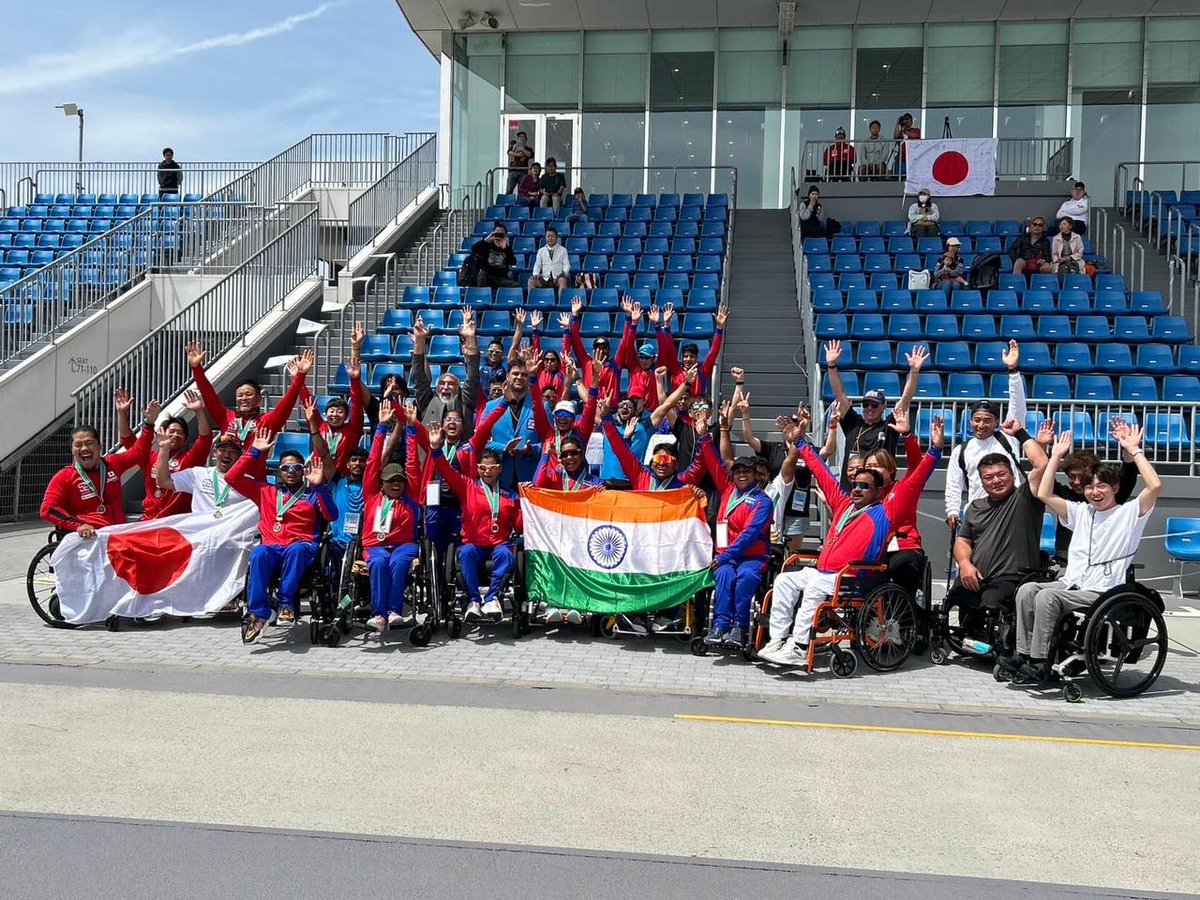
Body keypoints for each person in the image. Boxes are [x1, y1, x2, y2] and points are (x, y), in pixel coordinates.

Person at [757, 410, 942, 667]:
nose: (857, 488)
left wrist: (934, 451)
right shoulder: (844, 504)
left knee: (812, 589)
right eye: (855, 484)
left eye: (865, 486)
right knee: (785, 580)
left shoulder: (886, 512)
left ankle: (800, 647)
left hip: (852, 578)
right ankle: (778, 640)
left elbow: (917, 479)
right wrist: (800, 443)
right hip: (825, 573)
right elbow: (822, 473)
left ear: (878, 491)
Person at [1001, 425, 1161, 683]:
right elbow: (1043, 492)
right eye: (1089, 487)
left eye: (1101, 487)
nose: (1094, 492)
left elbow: (1154, 485)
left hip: (1102, 590)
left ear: (1115, 488)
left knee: (1047, 598)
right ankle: (1022, 653)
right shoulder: (1082, 512)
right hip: (1072, 583)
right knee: (1027, 590)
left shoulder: (1129, 513)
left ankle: (1040, 660)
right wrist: (1055, 456)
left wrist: (1134, 450)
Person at [227, 427, 338, 642]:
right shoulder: (266, 491)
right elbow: (232, 478)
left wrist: (320, 487)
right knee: (259, 553)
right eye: (286, 467)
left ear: (303, 470)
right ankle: (260, 613)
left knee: (296, 549)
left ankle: (285, 603)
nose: (291, 471)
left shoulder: (311, 494)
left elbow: (332, 516)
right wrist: (255, 452)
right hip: (273, 546)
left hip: (303, 546)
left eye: (297, 467)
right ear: (279, 471)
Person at [946, 422, 1050, 619]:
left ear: (1012, 475)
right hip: (975, 576)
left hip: (1012, 579)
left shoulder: (1025, 498)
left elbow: (1041, 463)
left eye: (1001, 474)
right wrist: (965, 564)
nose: (996, 480)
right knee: (954, 602)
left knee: (991, 601)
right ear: (981, 482)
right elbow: (962, 541)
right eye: (989, 477)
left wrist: (1020, 433)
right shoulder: (975, 507)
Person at [429, 423, 523, 623]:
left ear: (500, 470)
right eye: (482, 468)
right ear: (478, 469)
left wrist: (528, 502)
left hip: (498, 544)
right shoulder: (467, 486)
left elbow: (520, 525)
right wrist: (436, 450)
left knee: (507, 554)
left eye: (492, 468)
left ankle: (491, 598)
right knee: (466, 553)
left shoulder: (510, 495)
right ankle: (473, 600)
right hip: (474, 543)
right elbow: (446, 471)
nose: (487, 472)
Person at [698, 408, 774, 649]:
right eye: (738, 471)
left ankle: (740, 628)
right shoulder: (729, 490)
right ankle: (720, 626)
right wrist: (703, 438)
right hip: (727, 558)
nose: (741, 475)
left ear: (754, 476)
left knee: (745, 578)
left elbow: (750, 535)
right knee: (723, 576)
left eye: (746, 472)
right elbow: (712, 461)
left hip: (752, 556)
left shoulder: (763, 501)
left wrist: (726, 556)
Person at [944, 341, 1029, 531]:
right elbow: (953, 484)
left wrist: (1013, 371)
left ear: (996, 422)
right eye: (977, 420)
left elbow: (1017, 406)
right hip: (978, 514)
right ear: (971, 421)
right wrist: (952, 511)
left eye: (987, 420)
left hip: (1011, 510)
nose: (981, 425)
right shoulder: (961, 450)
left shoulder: (1008, 438)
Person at [359, 402, 425, 633]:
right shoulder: (371, 495)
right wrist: (381, 429)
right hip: (375, 545)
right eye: (391, 481)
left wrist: (411, 429)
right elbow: (373, 463)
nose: (396, 484)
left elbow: (412, 464)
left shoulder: (411, 497)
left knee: (398, 563)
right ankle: (378, 614)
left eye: (399, 481)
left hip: (403, 546)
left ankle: (394, 611)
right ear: (382, 483)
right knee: (378, 563)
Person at [823, 340, 924, 485]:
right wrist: (832, 366)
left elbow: (905, 400)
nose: (869, 408)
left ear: (883, 407)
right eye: (866, 404)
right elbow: (839, 394)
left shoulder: (888, 426)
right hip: (850, 490)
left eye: (874, 405)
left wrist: (914, 372)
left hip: (879, 492)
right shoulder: (853, 423)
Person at [41, 420, 155, 538]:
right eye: (78, 445)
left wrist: (149, 424)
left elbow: (138, 453)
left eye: (89, 443)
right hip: (89, 540)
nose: (84, 448)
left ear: (99, 446)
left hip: (117, 536)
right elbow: (48, 509)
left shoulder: (113, 463)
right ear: (72, 450)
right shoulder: (64, 477)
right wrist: (79, 525)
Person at [187, 342, 312, 448]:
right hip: (226, 473)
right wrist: (196, 368)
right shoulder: (226, 417)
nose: (244, 398)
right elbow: (209, 395)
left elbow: (288, 402)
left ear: (259, 399)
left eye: (248, 394)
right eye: (240, 395)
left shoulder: (267, 421)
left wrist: (300, 375)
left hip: (253, 475)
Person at [1048, 419, 1140, 559]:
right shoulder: (1064, 496)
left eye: (1082, 476)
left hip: (1104, 562)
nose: (1077, 482)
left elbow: (1129, 470)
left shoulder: (1114, 495)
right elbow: (1044, 482)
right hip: (1066, 563)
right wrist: (1051, 453)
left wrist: (1129, 448)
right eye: (1072, 476)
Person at [115, 388, 213, 519]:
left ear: (185, 439)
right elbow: (128, 440)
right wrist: (122, 413)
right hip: (150, 519)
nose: (175, 435)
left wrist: (199, 412)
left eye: (180, 433)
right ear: (160, 433)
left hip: (177, 522)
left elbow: (205, 439)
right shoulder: (151, 457)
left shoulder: (190, 459)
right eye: (171, 431)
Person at [412, 308, 481, 431]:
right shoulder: (427, 400)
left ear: (458, 388)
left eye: (450, 384)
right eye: (442, 383)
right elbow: (418, 376)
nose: (445, 387)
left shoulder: (465, 400)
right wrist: (419, 341)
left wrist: (470, 338)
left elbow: (473, 374)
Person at [155, 429, 252, 517]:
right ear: (215, 453)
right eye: (222, 450)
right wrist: (164, 449)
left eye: (232, 452)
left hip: (230, 535)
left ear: (240, 456)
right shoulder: (198, 474)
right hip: (201, 533)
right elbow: (163, 481)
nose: (226, 455)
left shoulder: (248, 482)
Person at [482, 356, 542, 488]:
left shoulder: (540, 406)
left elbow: (549, 441)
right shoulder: (491, 407)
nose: (519, 377)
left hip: (531, 476)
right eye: (515, 373)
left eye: (524, 374)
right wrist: (503, 448)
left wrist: (532, 449)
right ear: (508, 376)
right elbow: (481, 441)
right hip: (501, 476)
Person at [652, 302, 727, 395]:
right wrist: (665, 326)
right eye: (686, 356)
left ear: (697, 358)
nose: (688, 359)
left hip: (695, 408)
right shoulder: (676, 371)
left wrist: (719, 328)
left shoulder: (703, 372)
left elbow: (713, 352)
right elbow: (668, 349)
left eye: (691, 356)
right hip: (675, 408)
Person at [467, 225, 519, 290]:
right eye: (497, 232)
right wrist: (485, 240)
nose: (499, 234)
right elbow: (474, 249)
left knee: (516, 286)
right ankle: (483, 296)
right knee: (481, 275)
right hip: (487, 277)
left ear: (505, 235)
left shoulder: (507, 248)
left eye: (501, 232)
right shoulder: (487, 245)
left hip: (501, 278)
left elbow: (513, 262)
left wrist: (506, 248)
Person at [528, 225, 570, 292]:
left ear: (556, 237)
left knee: (563, 280)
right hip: (545, 278)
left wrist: (563, 273)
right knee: (531, 281)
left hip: (557, 278)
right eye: (548, 236)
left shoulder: (563, 250)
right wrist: (536, 274)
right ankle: (533, 300)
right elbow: (537, 264)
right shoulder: (541, 251)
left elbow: (567, 265)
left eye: (552, 236)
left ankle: (560, 302)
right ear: (545, 238)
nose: (550, 238)